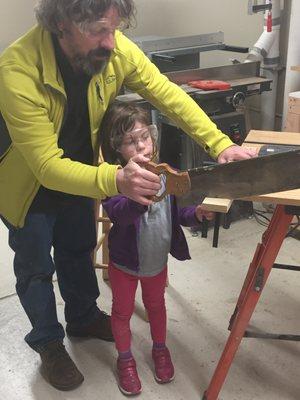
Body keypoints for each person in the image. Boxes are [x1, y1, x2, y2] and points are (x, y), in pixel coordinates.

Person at [0, 0, 256, 392]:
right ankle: (48, 342)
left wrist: (218, 144)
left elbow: (166, 94)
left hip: (85, 176)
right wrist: (117, 180)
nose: (112, 41)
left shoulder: (113, 47)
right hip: (31, 186)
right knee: (35, 267)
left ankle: (83, 316)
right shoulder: (17, 69)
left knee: (78, 247)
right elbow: (47, 166)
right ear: (62, 23)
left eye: (115, 28)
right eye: (100, 31)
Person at [100, 101, 215, 396]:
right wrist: (141, 196)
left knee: (156, 307)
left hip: (156, 263)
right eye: (130, 141)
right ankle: (125, 359)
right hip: (124, 264)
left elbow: (176, 215)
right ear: (116, 149)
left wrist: (196, 215)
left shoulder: (167, 174)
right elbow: (119, 214)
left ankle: (160, 349)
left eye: (145, 136)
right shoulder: (114, 181)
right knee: (122, 311)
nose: (141, 146)